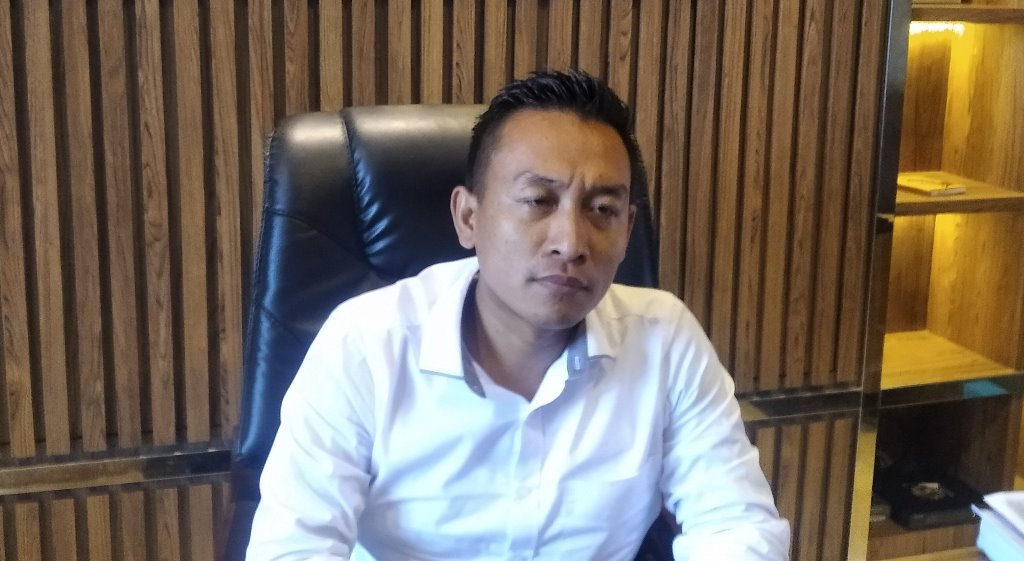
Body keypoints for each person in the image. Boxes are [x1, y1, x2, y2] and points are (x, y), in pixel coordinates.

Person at [246, 70, 790, 561]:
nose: (570, 242)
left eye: (602, 210)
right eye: (538, 201)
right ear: (468, 217)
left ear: (627, 231)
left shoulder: (664, 340)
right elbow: (294, 546)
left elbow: (737, 526)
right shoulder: (365, 344)